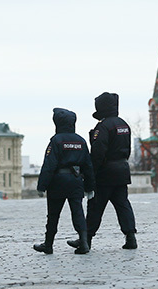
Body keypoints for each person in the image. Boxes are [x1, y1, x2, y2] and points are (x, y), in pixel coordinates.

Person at [69, 92, 137, 250]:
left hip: (105, 173)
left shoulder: (103, 127)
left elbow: (98, 153)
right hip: (122, 170)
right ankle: (131, 237)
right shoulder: (123, 124)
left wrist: (90, 173)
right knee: (123, 205)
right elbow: (127, 150)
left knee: (95, 206)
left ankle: (86, 240)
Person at [34, 108, 95, 255]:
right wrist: (89, 187)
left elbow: (49, 165)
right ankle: (84, 243)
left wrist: (42, 186)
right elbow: (88, 165)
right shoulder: (80, 141)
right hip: (76, 181)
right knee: (78, 212)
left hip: (58, 182)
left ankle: (48, 244)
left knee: (53, 214)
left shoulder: (56, 140)